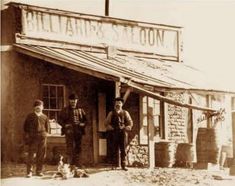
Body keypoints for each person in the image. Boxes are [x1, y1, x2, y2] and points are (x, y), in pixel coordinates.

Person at [58, 93, 87, 169]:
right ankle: (69, 164)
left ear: (77, 101)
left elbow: (86, 120)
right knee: (69, 147)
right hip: (69, 131)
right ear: (69, 101)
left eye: (74, 100)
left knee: (78, 147)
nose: (73, 102)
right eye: (71, 100)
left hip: (78, 131)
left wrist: (82, 124)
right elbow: (59, 120)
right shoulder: (65, 110)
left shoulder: (81, 110)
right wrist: (65, 125)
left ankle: (78, 164)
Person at [105, 97, 133, 171]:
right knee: (114, 149)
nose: (118, 105)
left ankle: (123, 165)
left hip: (123, 133)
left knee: (123, 149)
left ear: (122, 104)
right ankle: (114, 165)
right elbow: (106, 123)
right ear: (115, 104)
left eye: (119, 103)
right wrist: (110, 127)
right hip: (114, 133)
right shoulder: (111, 113)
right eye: (117, 103)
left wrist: (128, 127)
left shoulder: (125, 112)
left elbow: (130, 122)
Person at [23, 99, 49, 178]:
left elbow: (48, 128)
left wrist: (45, 134)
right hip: (33, 138)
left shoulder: (45, 117)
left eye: (40, 107)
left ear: (42, 107)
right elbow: (25, 127)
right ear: (34, 108)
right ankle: (29, 172)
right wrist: (29, 135)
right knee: (31, 155)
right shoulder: (30, 116)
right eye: (37, 107)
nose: (38, 108)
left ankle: (39, 171)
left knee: (41, 155)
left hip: (42, 138)